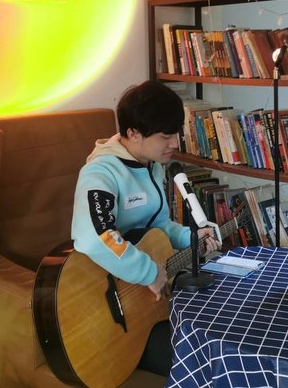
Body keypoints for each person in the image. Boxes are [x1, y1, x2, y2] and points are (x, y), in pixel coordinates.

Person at [71, 80, 219, 376]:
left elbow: (158, 226)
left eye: (176, 133)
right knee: (204, 358)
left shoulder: (151, 164)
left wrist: (189, 237)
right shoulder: (100, 173)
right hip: (110, 310)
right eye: (165, 136)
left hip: (148, 302)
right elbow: (96, 237)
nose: (174, 143)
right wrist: (148, 272)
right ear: (133, 133)